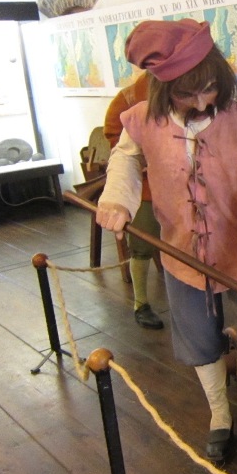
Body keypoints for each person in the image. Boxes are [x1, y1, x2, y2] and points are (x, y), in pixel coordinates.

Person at [96, 19, 237, 474]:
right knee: (201, 348)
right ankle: (220, 417)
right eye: (189, 94)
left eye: (210, 88)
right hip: (181, 261)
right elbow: (125, 160)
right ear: (165, 87)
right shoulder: (141, 120)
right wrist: (118, 199)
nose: (204, 103)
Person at [103, 72, 164, 330]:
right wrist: (143, 158)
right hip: (146, 185)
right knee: (142, 240)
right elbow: (114, 134)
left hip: (181, 182)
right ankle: (141, 303)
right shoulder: (129, 97)